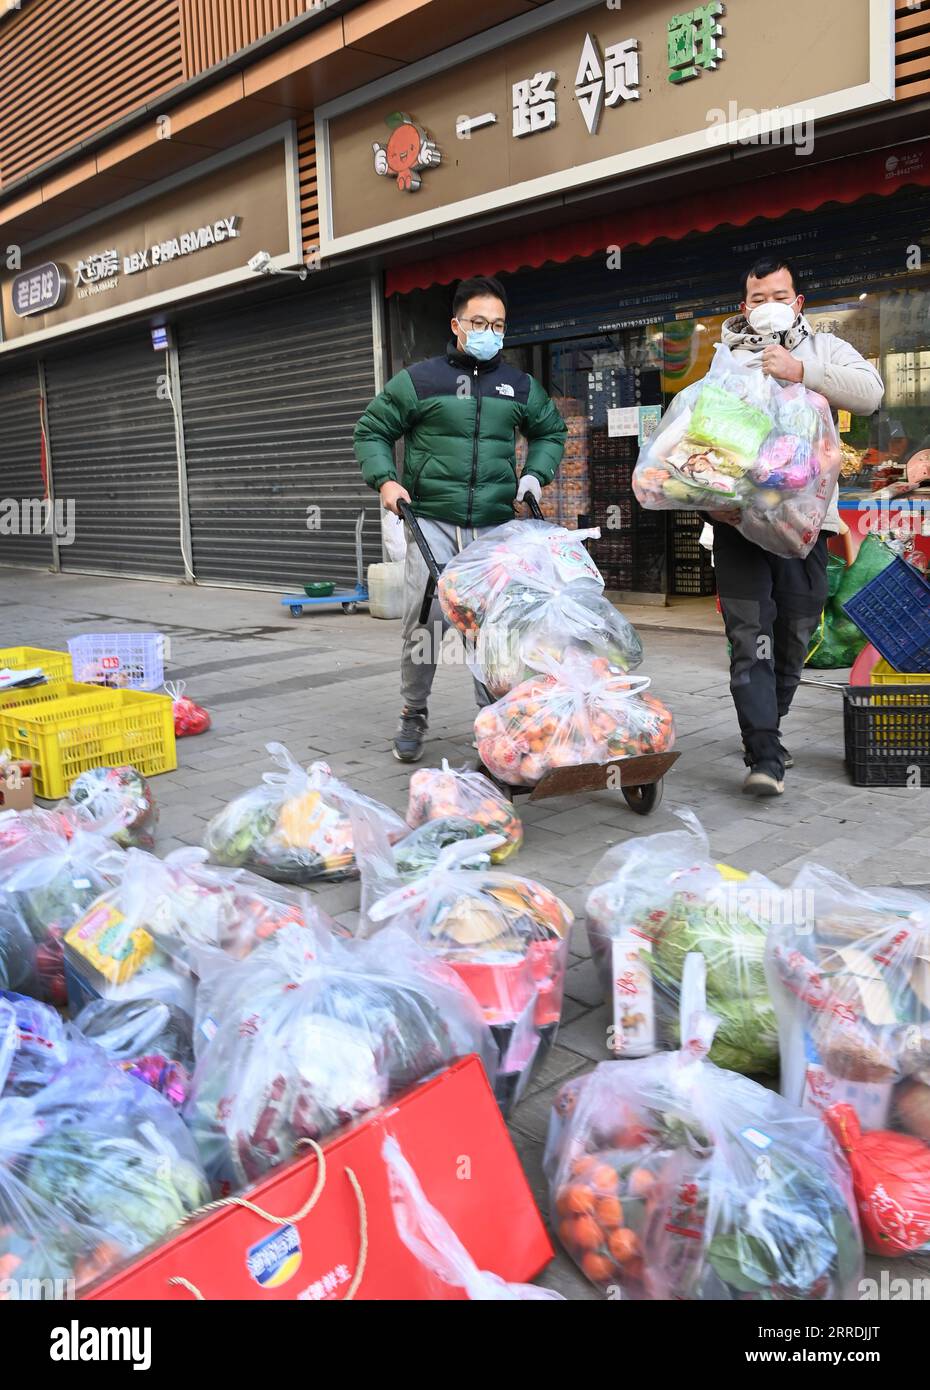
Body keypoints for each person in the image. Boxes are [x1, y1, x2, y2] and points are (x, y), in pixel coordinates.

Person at [354, 275, 567, 762]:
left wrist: (535, 475)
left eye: (498, 324)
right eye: (479, 322)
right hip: (431, 518)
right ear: (457, 324)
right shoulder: (419, 381)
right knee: (427, 622)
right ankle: (413, 710)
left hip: (494, 525)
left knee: (492, 626)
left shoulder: (518, 386)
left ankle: (492, 716)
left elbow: (550, 431)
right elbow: (371, 429)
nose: (489, 331)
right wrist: (386, 480)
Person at [710, 257, 884, 797]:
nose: (768, 306)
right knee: (748, 634)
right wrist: (708, 496)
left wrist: (800, 370)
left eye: (779, 295)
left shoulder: (826, 348)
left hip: (807, 524)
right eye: (758, 298)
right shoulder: (725, 359)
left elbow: (871, 393)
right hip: (740, 521)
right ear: (744, 306)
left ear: (798, 301)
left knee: (796, 631)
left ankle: (771, 724)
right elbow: (701, 432)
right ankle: (762, 749)